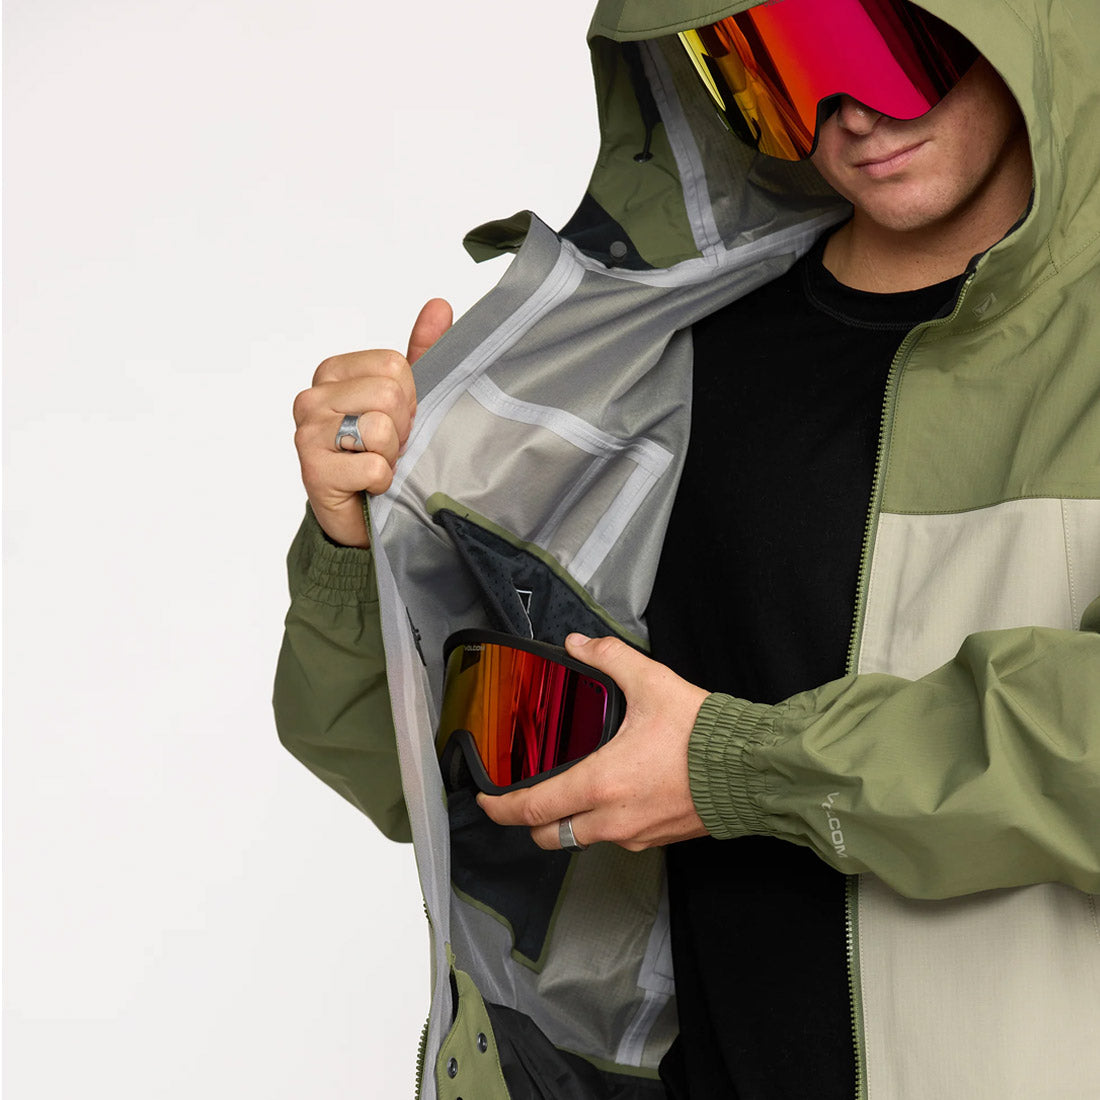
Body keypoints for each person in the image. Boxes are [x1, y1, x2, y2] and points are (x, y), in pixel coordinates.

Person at [276, 2, 1100, 1097]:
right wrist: (370, 537)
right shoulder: (645, 364)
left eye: (881, 46)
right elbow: (429, 785)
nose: (849, 113)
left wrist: (738, 768)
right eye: (782, 67)